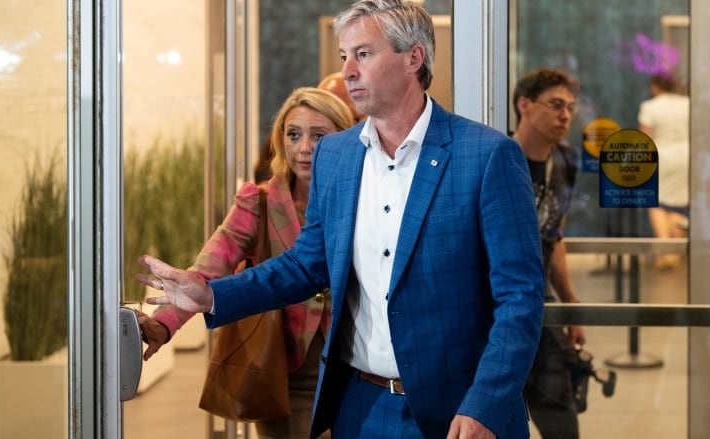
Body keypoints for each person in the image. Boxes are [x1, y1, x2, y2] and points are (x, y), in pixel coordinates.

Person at [137, 1, 545, 437]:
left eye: (363, 54)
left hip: (459, 410)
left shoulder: (486, 156)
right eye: (344, 56)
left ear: (413, 58)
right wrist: (211, 296)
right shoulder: (337, 155)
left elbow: (520, 297)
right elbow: (305, 264)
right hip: (359, 408)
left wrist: (486, 402)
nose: (348, 70)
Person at [135, 87, 355, 439]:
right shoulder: (260, 202)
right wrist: (164, 324)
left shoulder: (363, 199)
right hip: (284, 376)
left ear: (345, 139)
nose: (304, 148)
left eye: (319, 135)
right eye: (293, 134)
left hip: (354, 372)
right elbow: (209, 268)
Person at [512, 68, 586, 438]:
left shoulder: (567, 160)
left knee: (560, 418)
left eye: (570, 107)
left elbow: (554, 235)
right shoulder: (500, 157)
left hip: (541, 302)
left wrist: (571, 306)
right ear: (524, 105)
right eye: (556, 105)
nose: (565, 115)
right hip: (498, 307)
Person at [638, 74, 690, 270]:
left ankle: (665, 249)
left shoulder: (650, 106)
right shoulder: (688, 103)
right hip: (686, 155)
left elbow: (645, 136)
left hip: (661, 155)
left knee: (657, 203)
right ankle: (676, 251)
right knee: (679, 204)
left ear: (655, 86)